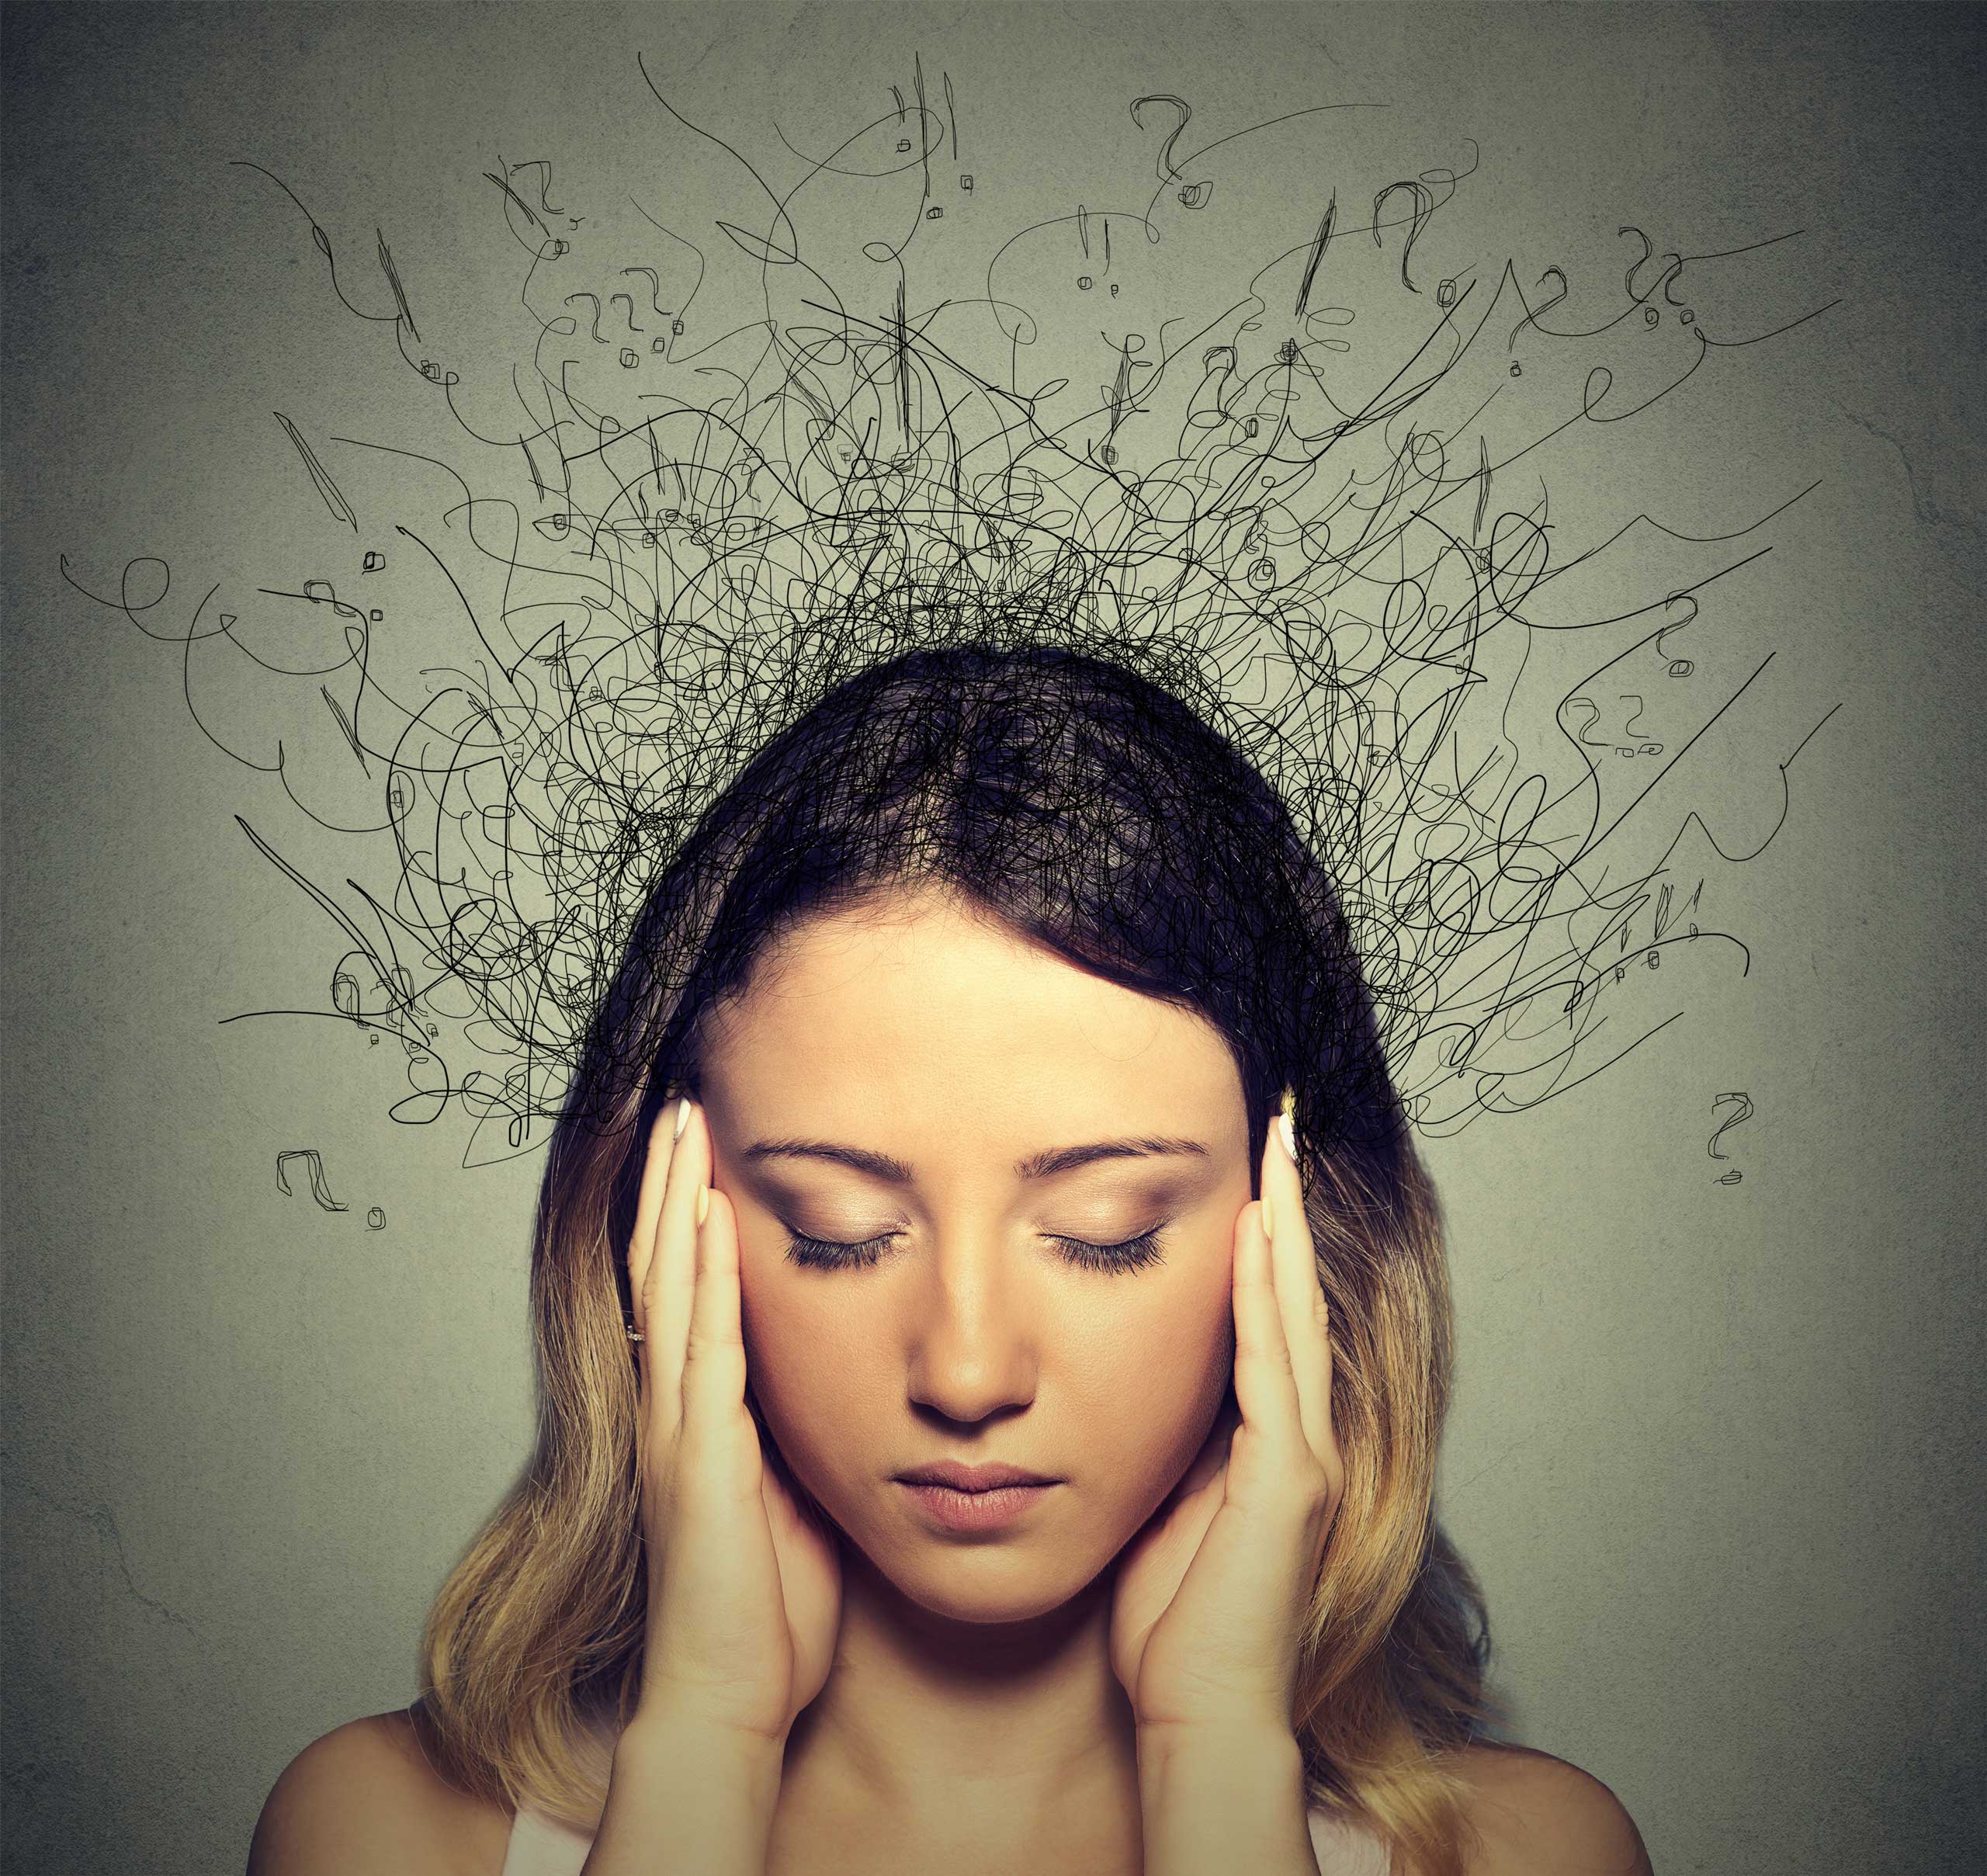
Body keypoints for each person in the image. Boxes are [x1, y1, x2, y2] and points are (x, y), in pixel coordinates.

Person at [247, 644, 1651, 1875]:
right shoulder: (388, 1833)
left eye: (1109, 1234)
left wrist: (1217, 1756)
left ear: (1308, 1235)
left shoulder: (1530, 1855)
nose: (968, 1369)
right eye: (836, 1232)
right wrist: (703, 1745)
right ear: (659, 1232)